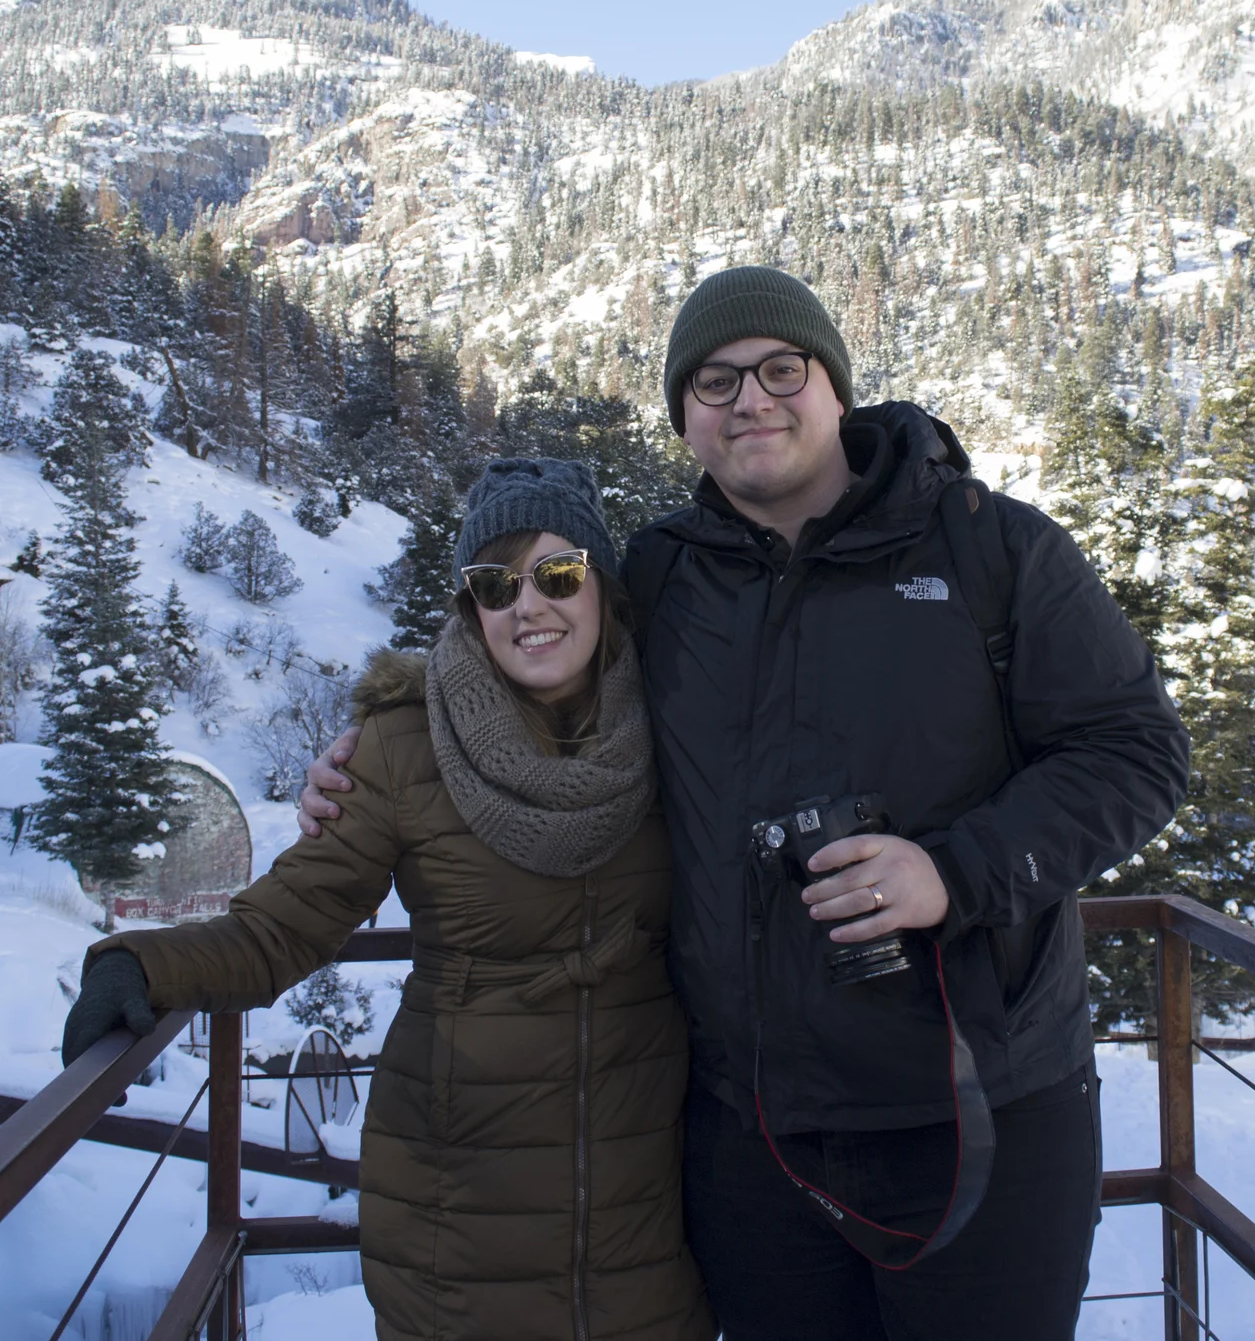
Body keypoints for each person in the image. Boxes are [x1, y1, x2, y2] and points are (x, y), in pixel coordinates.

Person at [305, 267, 1189, 1341]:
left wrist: (953, 871)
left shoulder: (991, 550)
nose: (750, 399)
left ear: (834, 388)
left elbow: (1136, 751)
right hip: (747, 1128)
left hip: (982, 1105)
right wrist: (379, 751)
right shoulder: (663, 578)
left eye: (781, 368)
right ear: (683, 417)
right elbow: (527, 677)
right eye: (714, 381)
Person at [62, 458, 711, 1341]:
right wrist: (144, 960)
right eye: (495, 584)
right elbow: (285, 923)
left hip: (644, 1205)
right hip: (457, 1208)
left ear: (604, 585)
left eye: (559, 574)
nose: (530, 606)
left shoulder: (680, 723)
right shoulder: (404, 748)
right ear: (468, 607)